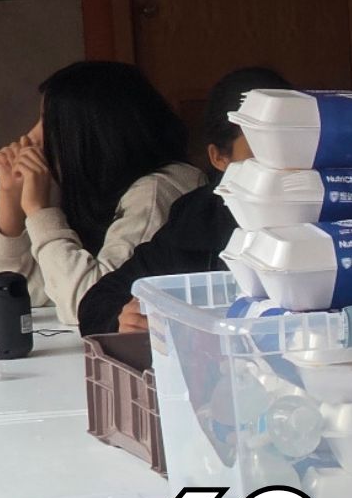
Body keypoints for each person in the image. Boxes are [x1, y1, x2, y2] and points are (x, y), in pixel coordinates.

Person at [79, 67, 294, 337]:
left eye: (293, 144)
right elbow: (99, 300)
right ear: (219, 157)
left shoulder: (338, 207)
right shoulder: (199, 218)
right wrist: (123, 319)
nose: (282, 163)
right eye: (261, 150)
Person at [0, 61, 201, 327]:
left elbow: (91, 306)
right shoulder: (101, 186)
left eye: (50, 122)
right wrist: (10, 195)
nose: (32, 137)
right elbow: (24, 294)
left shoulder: (158, 191)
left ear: (91, 131)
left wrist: (40, 212)